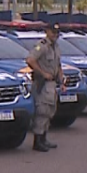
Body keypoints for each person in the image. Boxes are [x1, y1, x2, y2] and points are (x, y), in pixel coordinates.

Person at [26, 23, 65, 152]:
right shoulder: (42, 46)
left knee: (50, 111)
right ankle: (37, 141)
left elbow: (58, 65)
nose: (55, 35)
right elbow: (30, 60)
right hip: (43, 84)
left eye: (57, 33)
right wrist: (42, 73)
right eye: (53, 32)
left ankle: (44, 138)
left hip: (52, 84)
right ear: (47, 31)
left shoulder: (56, 47)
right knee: (42, 111)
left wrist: (62, 81)